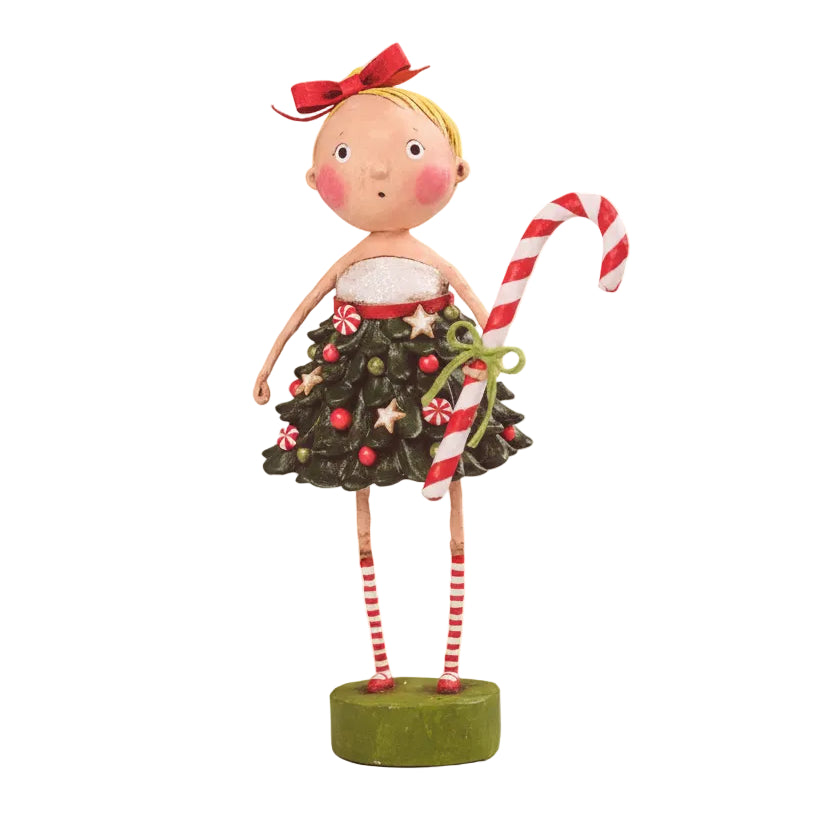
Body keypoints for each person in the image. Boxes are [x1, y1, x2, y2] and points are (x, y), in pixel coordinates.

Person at [254, 45, 531, 694]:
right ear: (314, 178)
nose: (378, 168)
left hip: (436, 384)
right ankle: (381, 661)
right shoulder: (351, 263)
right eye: (345, 154)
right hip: (355, 390)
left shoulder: (429, 261)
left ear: (457, 170)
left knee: (454, 496)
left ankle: (451, 663)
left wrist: (493, 353)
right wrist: (267, 367)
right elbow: (301, 310)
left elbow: (483, 311)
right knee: (363, 513)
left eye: (410, 151)